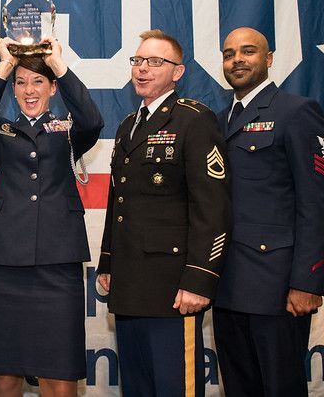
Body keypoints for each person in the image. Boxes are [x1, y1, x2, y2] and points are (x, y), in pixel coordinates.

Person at [0, 37, 103, 397]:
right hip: (4, 263)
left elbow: (92, 120)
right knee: (3, 375)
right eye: (21, 82)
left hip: (56, 265)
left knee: (59, 376)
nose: (29, 89)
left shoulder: (69, 130)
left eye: (38, 81)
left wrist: (58, 64)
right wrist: (5, 64)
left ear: (53, 88)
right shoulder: (0, 131)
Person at [97, 29, 232, 397]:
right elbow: (119, 202)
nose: (143, 69)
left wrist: (199, 279)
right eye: (138, 61)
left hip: (174, 289)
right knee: (138, 389)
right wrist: (108, 262)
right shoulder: (128, 125)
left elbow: (212, 207)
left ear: (178, 72)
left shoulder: (194, 120)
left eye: (155, 62)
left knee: (175, 388)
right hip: (130, 286)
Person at [213, 27, 324, 397]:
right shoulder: (217, 122)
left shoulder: (297, 112)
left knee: (281, 388)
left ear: (268, 60)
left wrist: (307, 282)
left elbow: (317, 203)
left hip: (277, 287)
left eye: (248, 51)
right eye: (229, 53)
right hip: (226, 285)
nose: (237, 60)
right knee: (239, 388)